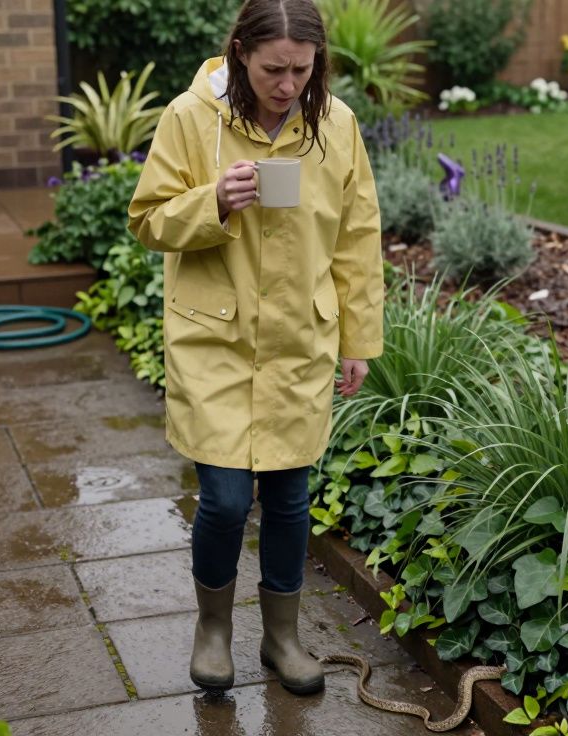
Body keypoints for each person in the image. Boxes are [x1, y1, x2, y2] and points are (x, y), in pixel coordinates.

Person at [127, 0, 383, 697]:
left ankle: (282, 638)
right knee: (226, 498)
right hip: (215, 339)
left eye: (303, 70)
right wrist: (211, 201)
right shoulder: (190, 118)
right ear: (241, 52)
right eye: (274, 69)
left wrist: (358, 337)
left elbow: (358, 237)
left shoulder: (336, 126)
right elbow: (147, 220)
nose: (287, 85)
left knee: (292, 497)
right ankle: (213, 630)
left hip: (300, 336)